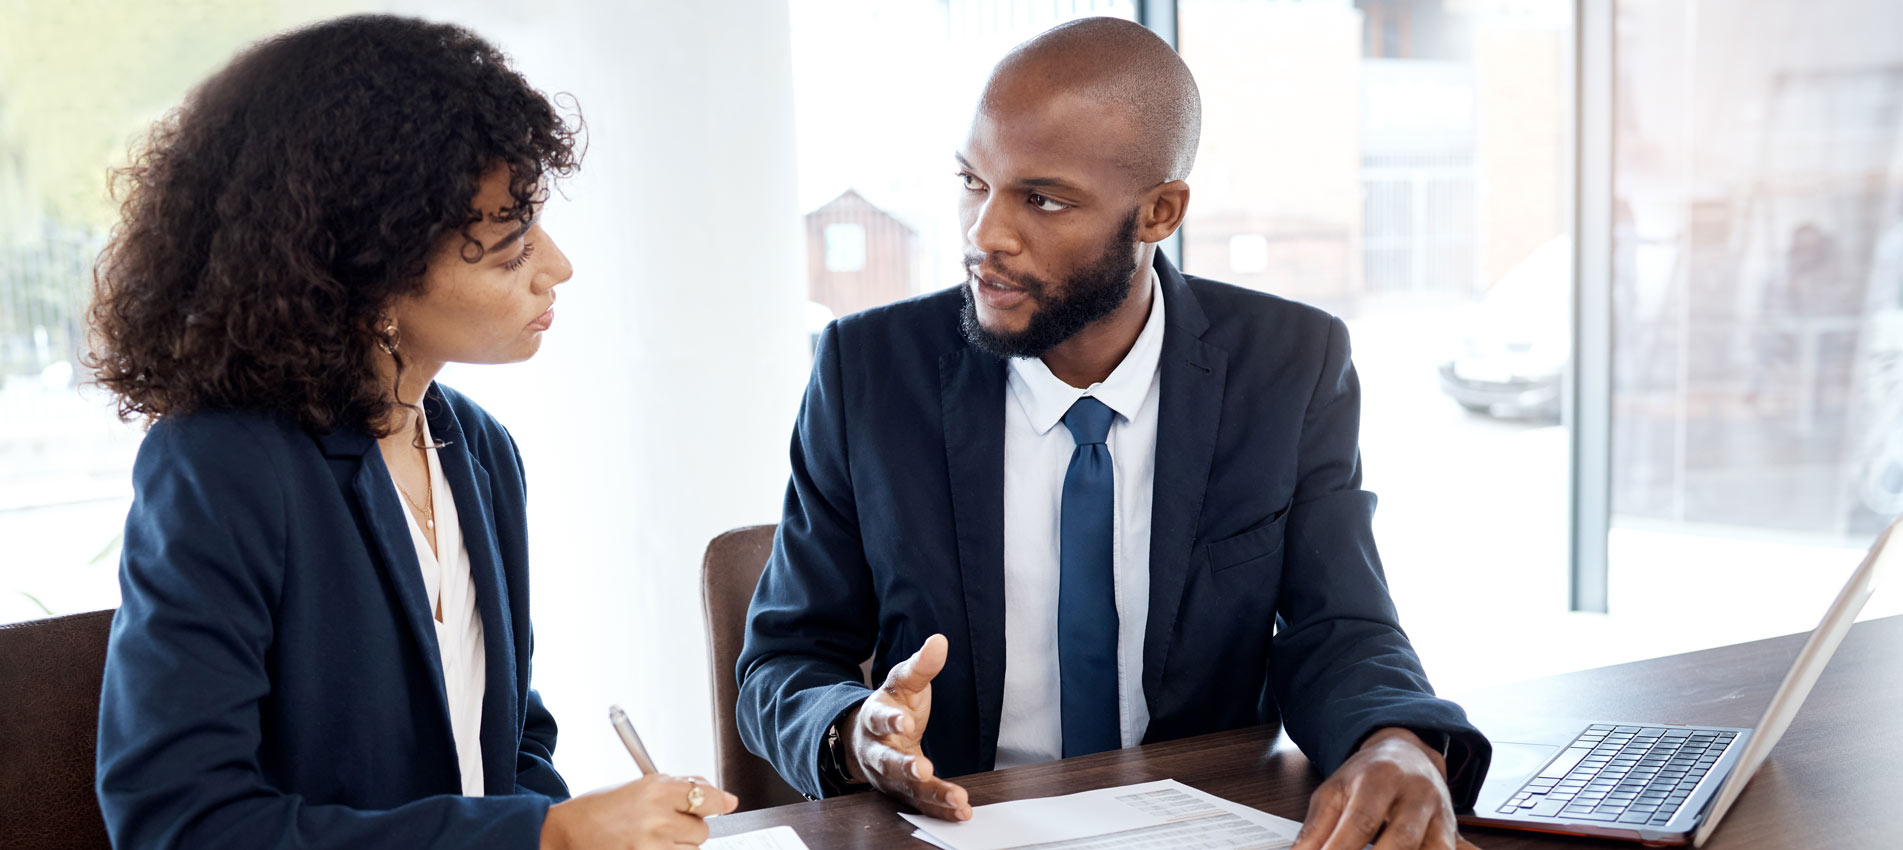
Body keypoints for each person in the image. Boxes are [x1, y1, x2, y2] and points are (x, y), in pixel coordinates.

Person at [736, 18, 1489, 850]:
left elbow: (1337, 625)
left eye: (1042, 199)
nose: (984, 234)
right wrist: (854, 733)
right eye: (971, 182)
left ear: (1158, 212)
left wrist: (1397, 740)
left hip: (1198, 818)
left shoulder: (1290, 363)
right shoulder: (868, 370)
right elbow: (786, 657)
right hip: (960, 822)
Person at [87, 15, 735, 850]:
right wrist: (546, 837)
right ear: (374, 281)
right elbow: (180, 822)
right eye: (509, 249)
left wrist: (579, 826)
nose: (557, 266)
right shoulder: (221, 467)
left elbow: (509, 745)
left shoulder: (480, 451)